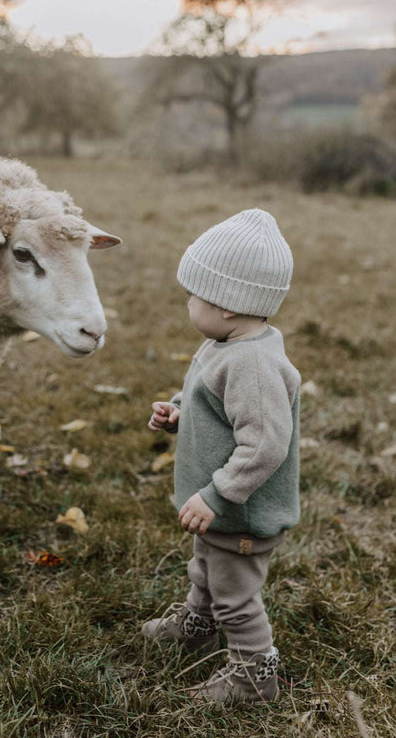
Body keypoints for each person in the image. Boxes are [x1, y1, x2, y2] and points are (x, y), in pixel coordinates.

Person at [143, 208, 301, 704]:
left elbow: (264, 444)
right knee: (206, 570)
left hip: (241, 514)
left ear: (228, 304)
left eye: (195, 294)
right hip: (219, 513)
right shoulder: (226, 344)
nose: (188, 303)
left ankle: (256, 674)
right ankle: (197, 625)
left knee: (235, 596)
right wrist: (179, 413)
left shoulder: (253, 364)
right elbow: (217, 409)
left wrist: (216, 495)